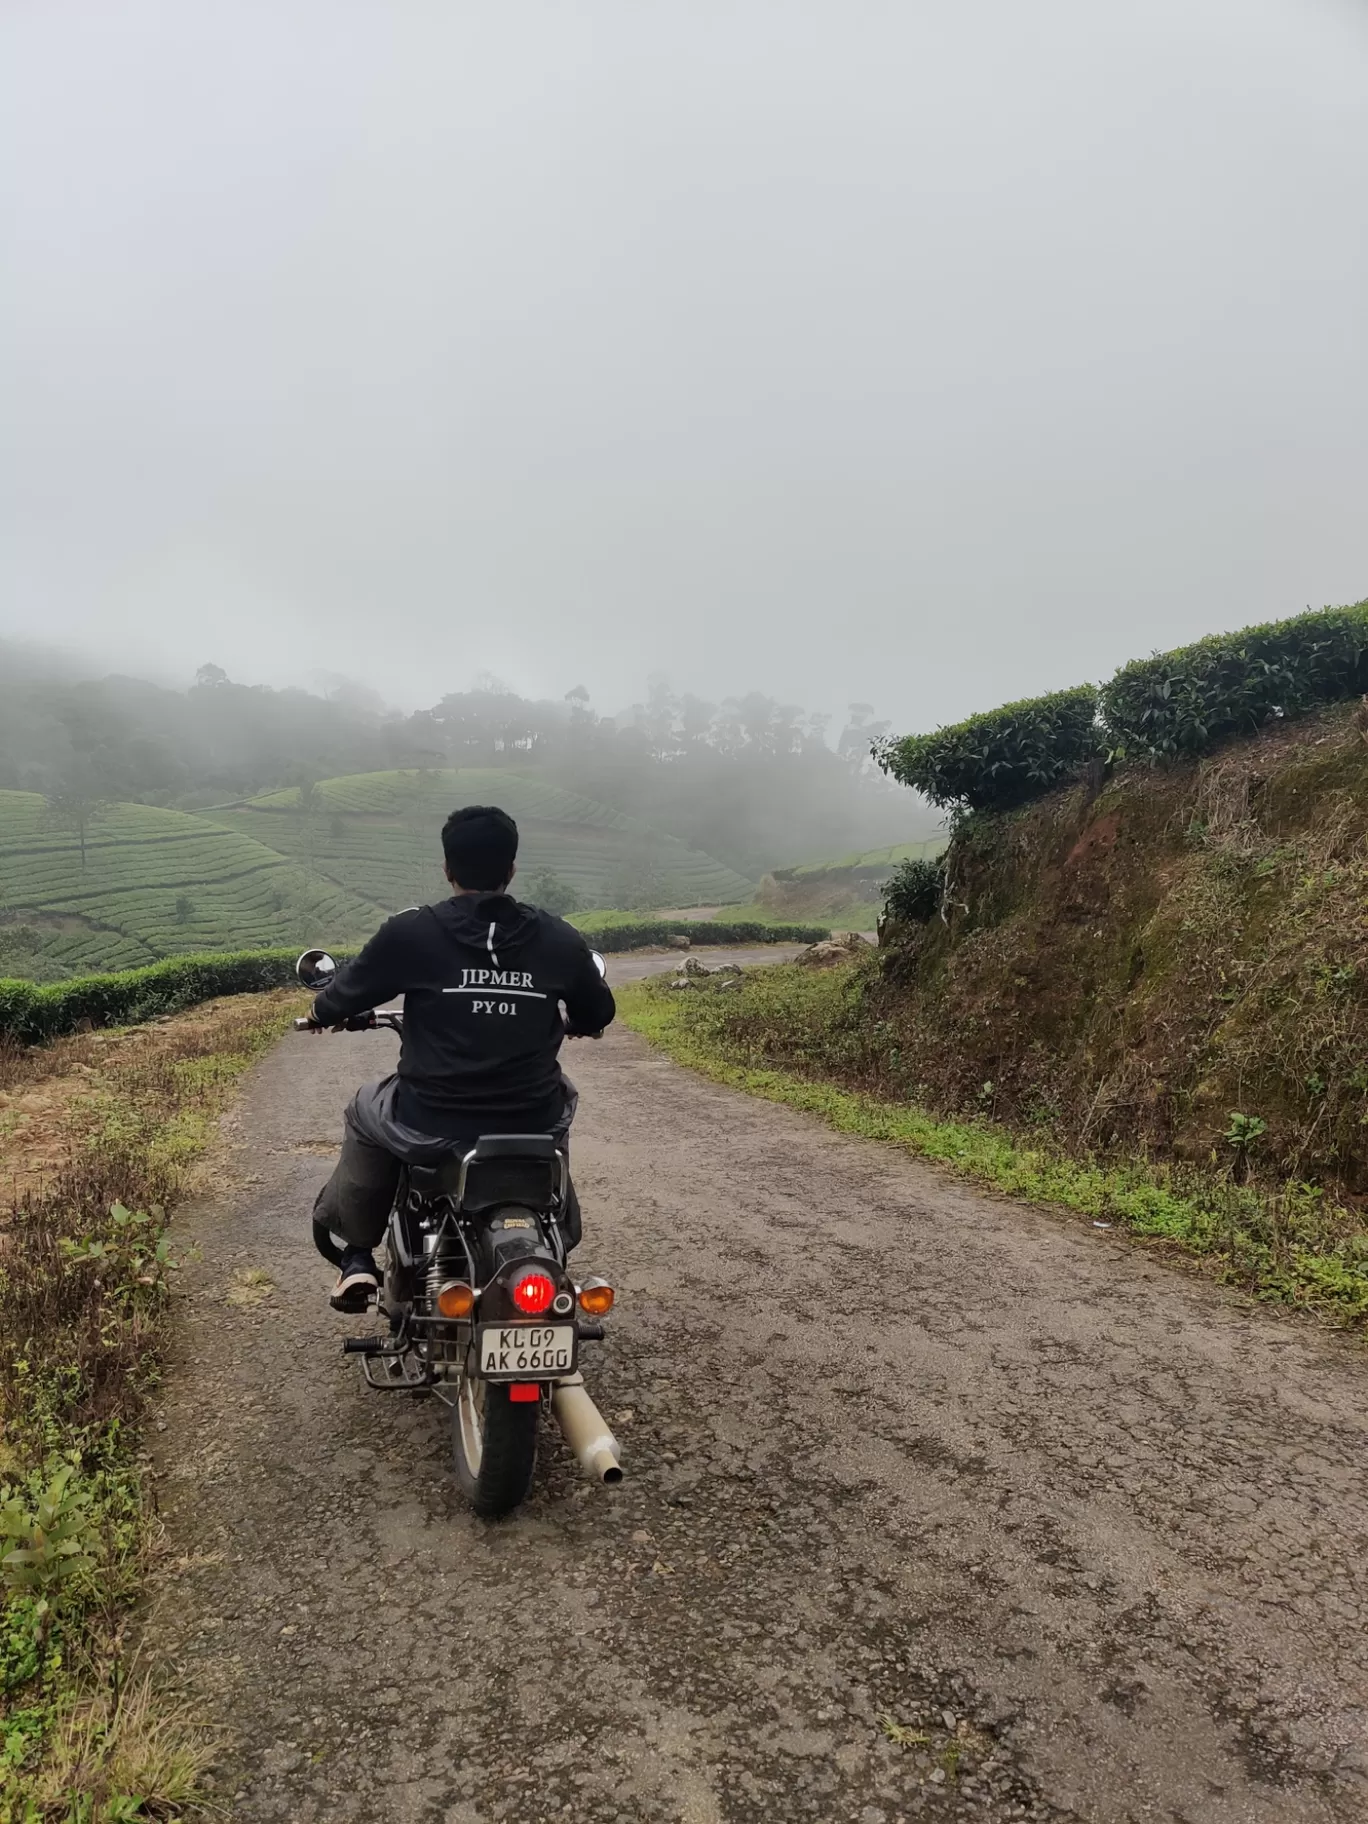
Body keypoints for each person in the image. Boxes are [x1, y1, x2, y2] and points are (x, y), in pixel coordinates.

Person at [306, 803, 616, 1312]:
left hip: (431, 1124)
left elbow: (338, 998)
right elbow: (598, 1010)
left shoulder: (411, 932)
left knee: (365, 1106)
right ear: (511, 869)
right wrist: (575, 1018)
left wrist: (320, 1011)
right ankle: (558, 1223)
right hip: (528, 1125)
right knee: (560, 1099)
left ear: (448, 869)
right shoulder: (558, 937)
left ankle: (358, 1254)